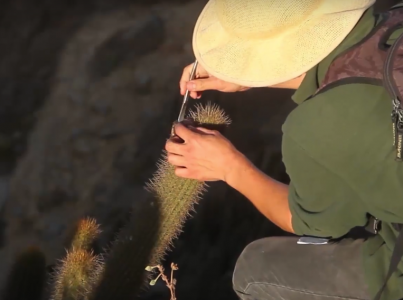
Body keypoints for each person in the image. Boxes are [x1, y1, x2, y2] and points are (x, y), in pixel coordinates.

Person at [164, 1, 403, 300]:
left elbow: (314, 224)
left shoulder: (317, 125)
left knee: (257, 270)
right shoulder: (393, 16)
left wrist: (230, 167)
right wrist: (249, 74)